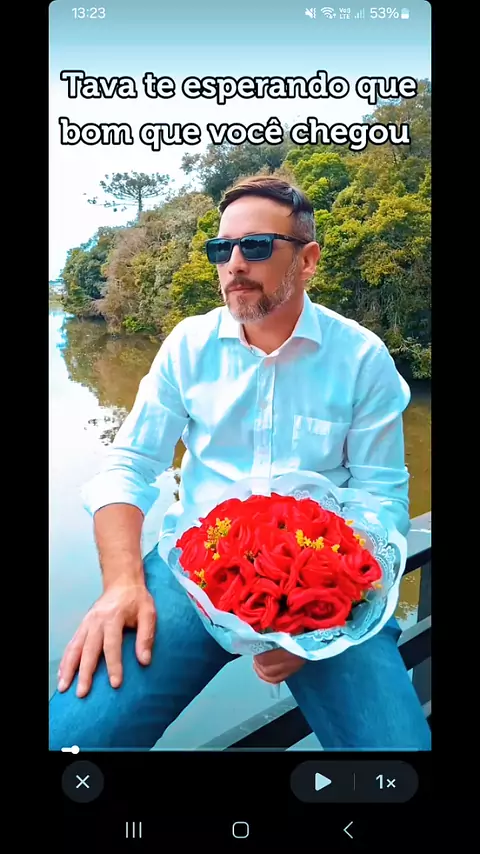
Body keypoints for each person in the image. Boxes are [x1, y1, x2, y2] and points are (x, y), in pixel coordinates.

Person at [49, 176, 431, 750]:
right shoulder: (189, 346)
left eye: (255, 246)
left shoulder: (361, 358)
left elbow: (380, 498)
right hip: (191, 574)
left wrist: (317, 621)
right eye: (221, 248)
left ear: (307, 260)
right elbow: (127, 466)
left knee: (395, 753)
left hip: (323, 583)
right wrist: (121, 583)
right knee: (76, 736)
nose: (233, 263)